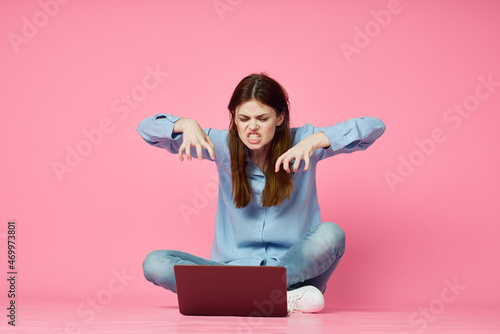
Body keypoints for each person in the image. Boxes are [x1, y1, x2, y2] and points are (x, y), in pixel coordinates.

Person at [138, 73, 386, 313]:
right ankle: (277, 300)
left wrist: (316, 141)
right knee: (155, 262)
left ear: (279, 118)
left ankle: (244, 298)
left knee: (332, 233)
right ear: (234, 118)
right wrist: (185, 124)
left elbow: (374, 126)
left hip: (293, 275)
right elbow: (146, 129)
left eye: (262, 118)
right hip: (232, 272)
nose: (252, 127)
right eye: (243, 118)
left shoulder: (303, 141)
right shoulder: (220, 144)